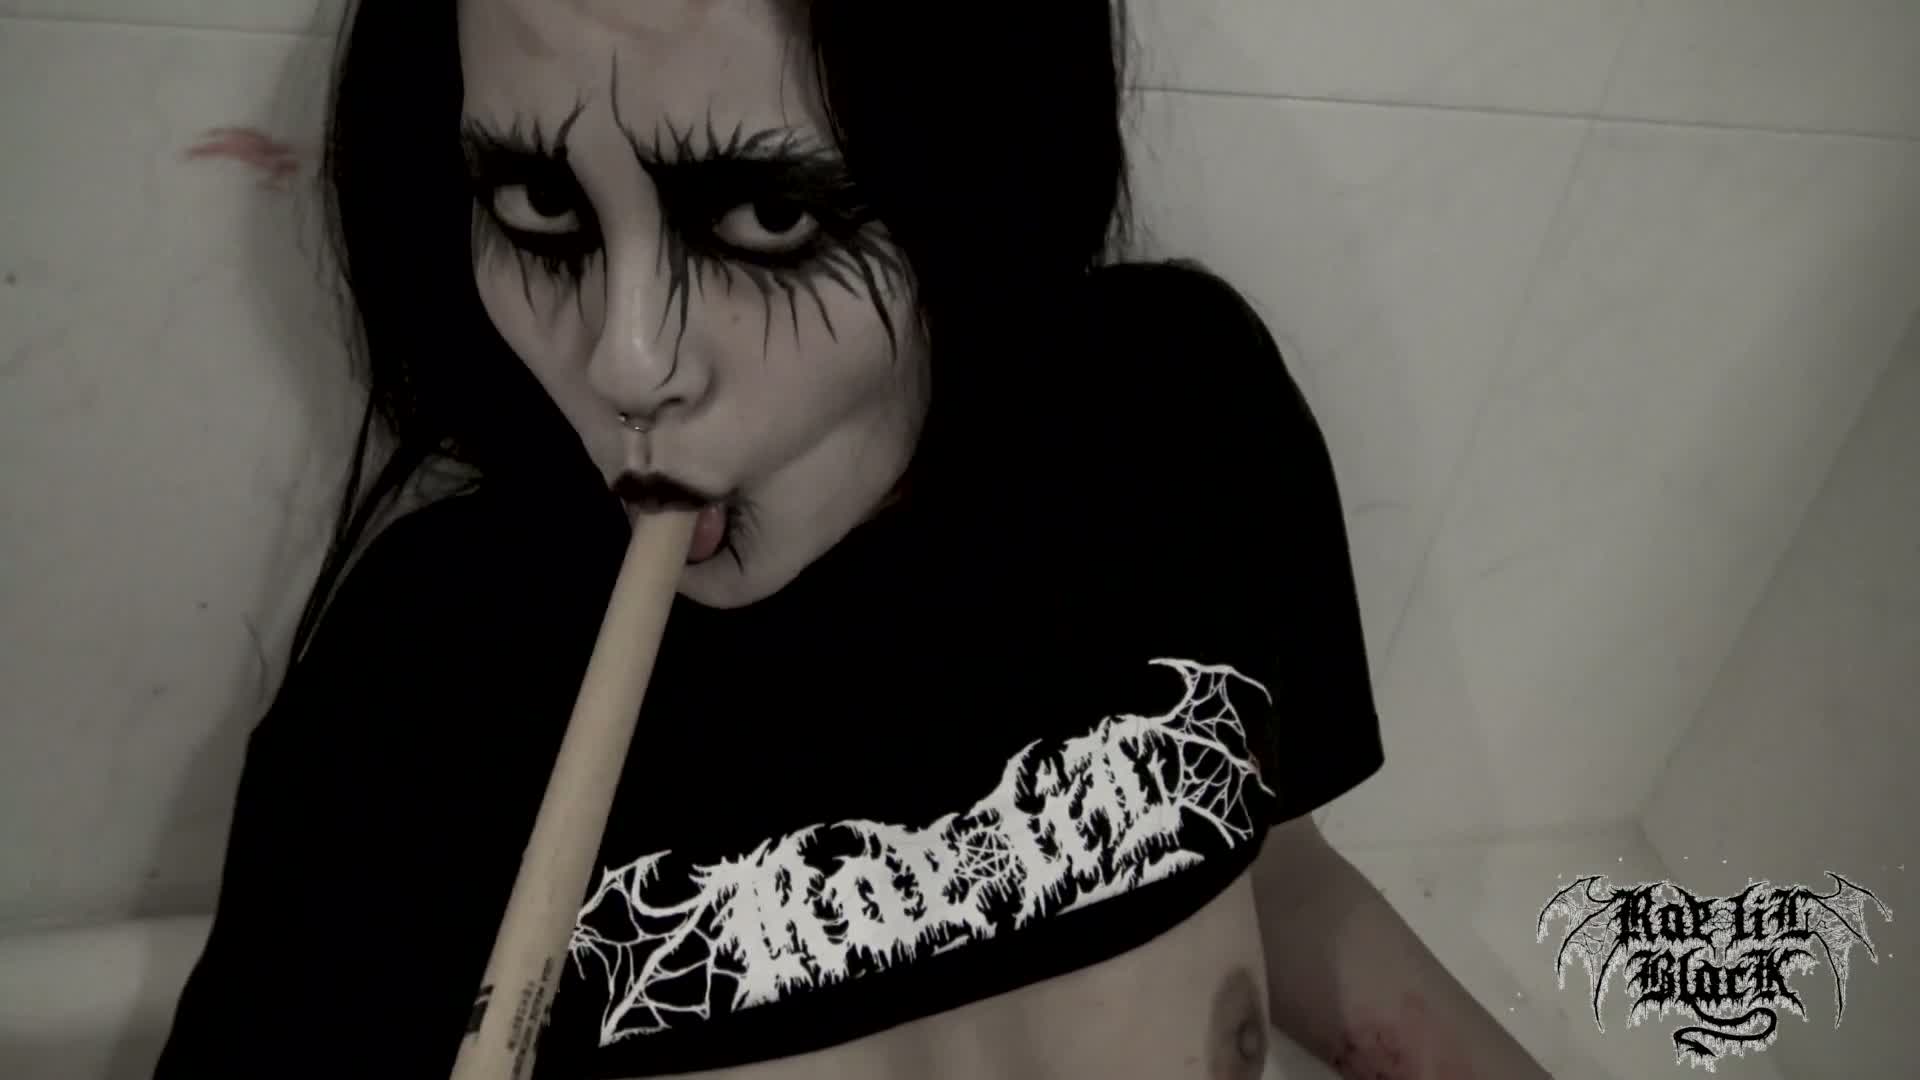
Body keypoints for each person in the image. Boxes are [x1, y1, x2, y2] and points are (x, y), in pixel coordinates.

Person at [154, 2, 1548, 1078]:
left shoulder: (1179, 421)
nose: (627, 363)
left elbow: (1267, 861)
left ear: (977, 158)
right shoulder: (423, 693)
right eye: (543, 207)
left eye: (768, 216)